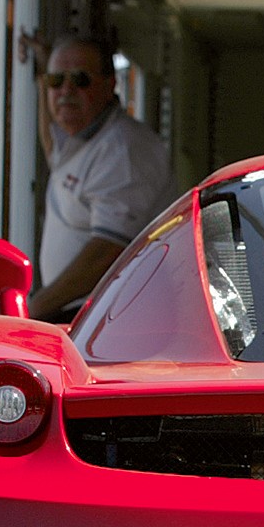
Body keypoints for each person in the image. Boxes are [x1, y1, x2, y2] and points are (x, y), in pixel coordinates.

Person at [28, 34, 172, 320]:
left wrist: (33, 309)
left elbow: (107, 252)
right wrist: (42, 75)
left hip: (103, 321)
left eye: (80, 79)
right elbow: (51, 144)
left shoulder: (122, 150)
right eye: (57, 81)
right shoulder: (80, 139)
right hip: (79, 314)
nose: (66, 90)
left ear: (110, 85)